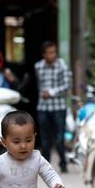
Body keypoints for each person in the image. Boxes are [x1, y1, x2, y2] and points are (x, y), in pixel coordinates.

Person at [35, 40, 72, 173]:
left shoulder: (62, 66)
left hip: (58, 107)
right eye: (49, 53)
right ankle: (46, 168)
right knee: (44, 139)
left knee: (59, 138)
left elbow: (67, 85)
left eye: (54, 52)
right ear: (44, 54)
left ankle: (63, 163)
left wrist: (51, 92)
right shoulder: (38, 66)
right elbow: (39, 85)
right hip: (43, 107)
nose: (52, 55)